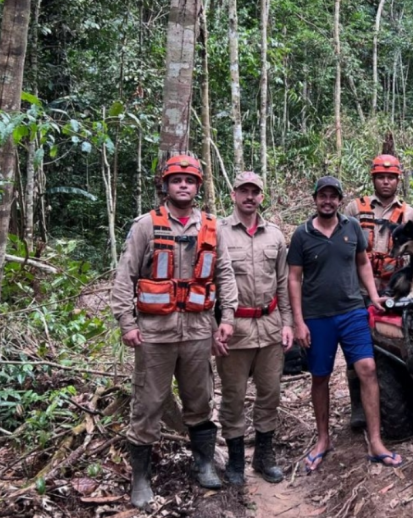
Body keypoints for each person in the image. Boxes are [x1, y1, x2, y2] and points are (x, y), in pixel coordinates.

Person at [110, 154, 238, 509]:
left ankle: (204, 463)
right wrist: (127, 323)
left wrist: (226, 317)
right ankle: (140, 478)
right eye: (177, 179)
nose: (183, 185)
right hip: (155, 332)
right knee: (148, 403)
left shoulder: (211, 227)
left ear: (198, 186)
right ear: (164, 185)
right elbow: (124, 277)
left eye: (190, 180)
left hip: (198, 329)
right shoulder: (146, 226)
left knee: (200, 401)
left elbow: (224, 274)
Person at [288, 176, 402, 471]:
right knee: (320, 376)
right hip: (317, 316)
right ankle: (323, 439)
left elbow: (362, 262)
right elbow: (294, 278)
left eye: (333, 196)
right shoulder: (302, 235)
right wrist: (298, 321)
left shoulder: (351, 227)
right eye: (322, 196)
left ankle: (375, 441)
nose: (328, 201)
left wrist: (374, 297)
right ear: (315, 199)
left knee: (367, 368)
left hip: (352, 311)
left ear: (340, 200)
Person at [342, 154, 413, 429]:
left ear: (398, 180)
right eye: (381, 177)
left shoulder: (409, 213)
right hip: (358, 291)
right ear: (373, 179)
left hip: (395, 293)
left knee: (393, 348)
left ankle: (395, 399)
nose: (386, 182)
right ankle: (358, 406)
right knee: (357, 351)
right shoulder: (355, 209)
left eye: (391, 177)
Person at [214, 171, 293, 486]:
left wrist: (287, 323)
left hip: (270, 326)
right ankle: (235, 459)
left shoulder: (274, 235)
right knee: (233, 396)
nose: (249, 197)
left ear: (262, 196)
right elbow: (208, 285)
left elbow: (284, 284)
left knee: (270, 393)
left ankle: (264, 454)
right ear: (233, 194)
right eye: (244, 191)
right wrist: (213, 328)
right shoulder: (219, 233)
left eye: (255, 191)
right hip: (234, 329)